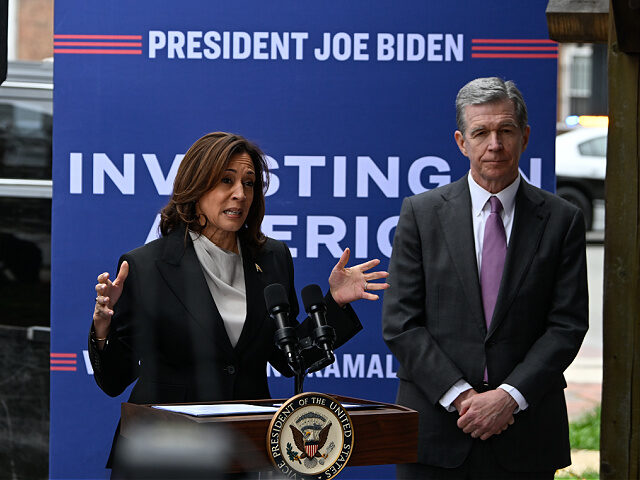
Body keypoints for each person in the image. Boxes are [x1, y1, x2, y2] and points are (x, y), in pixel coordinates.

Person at [89, 131, 389, 474]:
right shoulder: (146, 266)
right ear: (196, 187)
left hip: (243, 456)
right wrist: (103, 326)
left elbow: (289, 357)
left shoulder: (273, 257)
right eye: (226, 181)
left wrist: (334, 303)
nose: (240, 194)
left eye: (249, 183)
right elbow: (114, 381)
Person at [382, 77, 588, 479]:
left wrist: (508, 398)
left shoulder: (562, 220)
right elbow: (401, 323)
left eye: (505, 131)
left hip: (525, 436)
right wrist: (463, 398)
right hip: (436, 434)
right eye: (481, 132)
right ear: (462, 142)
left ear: (525, 137)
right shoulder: (421, 215)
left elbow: (566, 325)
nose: (494, 144)